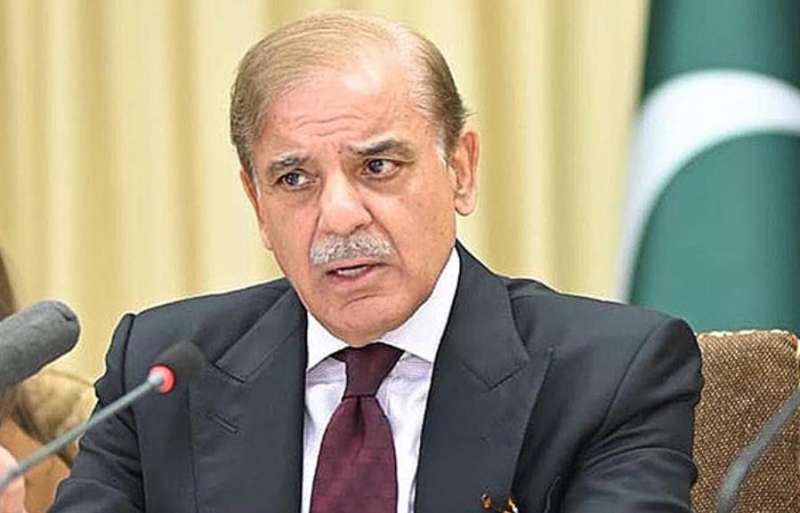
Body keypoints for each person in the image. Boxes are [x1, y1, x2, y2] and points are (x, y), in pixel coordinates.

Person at [28, 10, 699, 513]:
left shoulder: (612, 375)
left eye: (378, 166)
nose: (339, 215)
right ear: (257, 203)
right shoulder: (161, 374)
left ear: (461, 169)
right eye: (294, 178)